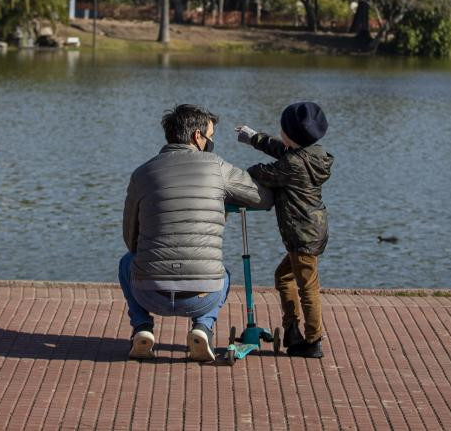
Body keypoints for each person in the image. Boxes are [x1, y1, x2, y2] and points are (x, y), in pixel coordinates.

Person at [120, 104, 272, 362]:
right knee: (222, 273)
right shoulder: (217, 167)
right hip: (201, 296)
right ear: (197, 137)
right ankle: (203, 327)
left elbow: (130, 238)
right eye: (210, 136)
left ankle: (142, 327)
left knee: (126, 262)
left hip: (149, 293)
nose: (212, 142)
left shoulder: (141, 173)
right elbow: (263, 198)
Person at [235, 101, 333, 359]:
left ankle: (313, 341)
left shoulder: (292, 165)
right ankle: (291, 329)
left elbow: (264, 173)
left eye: (282, 128)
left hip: (302, 236)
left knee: (308, 287)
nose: (280, 132)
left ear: (290, 133)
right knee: (283, 277)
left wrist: (238, 174)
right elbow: (284, 151)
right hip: (314, 229)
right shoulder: (315, 154)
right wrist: (254, 138)